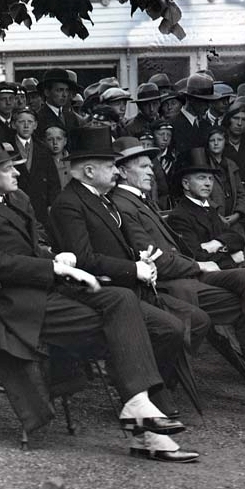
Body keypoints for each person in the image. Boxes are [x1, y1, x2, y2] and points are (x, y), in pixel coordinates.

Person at [0, 134, 196, 462]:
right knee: (120, 325)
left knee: (128, 305)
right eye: (8, 168)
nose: (17, 173)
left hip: (48, 290)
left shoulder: (17, 199)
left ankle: (139, 408)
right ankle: (146, 431)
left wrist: (56, 256)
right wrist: (53, 267)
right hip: (15, 303)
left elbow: (31, 245)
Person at [110, 137, 245, 419]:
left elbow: (218, 240)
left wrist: (201, 260)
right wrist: (198, 264)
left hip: (186, 277)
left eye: (151, 166)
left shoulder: (138, 201)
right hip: (170, 287)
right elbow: (156, 258)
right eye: (144, 166)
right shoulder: (123, 205)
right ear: (122, 171)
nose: (151, 171)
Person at [47, 127, 207, 418]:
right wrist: (134, 269)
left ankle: (155, 386)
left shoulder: (101, 198)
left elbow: (115, 247)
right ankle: (143, 393)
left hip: (128, 286)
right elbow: (83, 259)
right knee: (170, 328)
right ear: (89, 170)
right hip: (98, 292)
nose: (117, 172)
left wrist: (139, 260)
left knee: (195, 321)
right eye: (110, 167)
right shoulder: (68, 204)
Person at [6, 107, 60, 225]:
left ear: (35, 125)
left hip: (40, 204)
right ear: (14, 125)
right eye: (21, 122)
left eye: (30, 122)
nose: (26, 126)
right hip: (16, 203)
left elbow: (53, 180)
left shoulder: (43, 149)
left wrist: (52, 204)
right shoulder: (7, 148)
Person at [34, 68, 81, 136]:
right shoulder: (38, 118)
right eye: (59, 90)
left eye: (67, 90)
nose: (64, 95)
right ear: (47, 92)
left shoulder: (72, 117)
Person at [44, 124, 72, 190]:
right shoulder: (43, 162)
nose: (55, 143)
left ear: (65, 141)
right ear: (45, 142)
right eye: (50, 139)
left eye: (59, 139)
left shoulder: (73, 161)